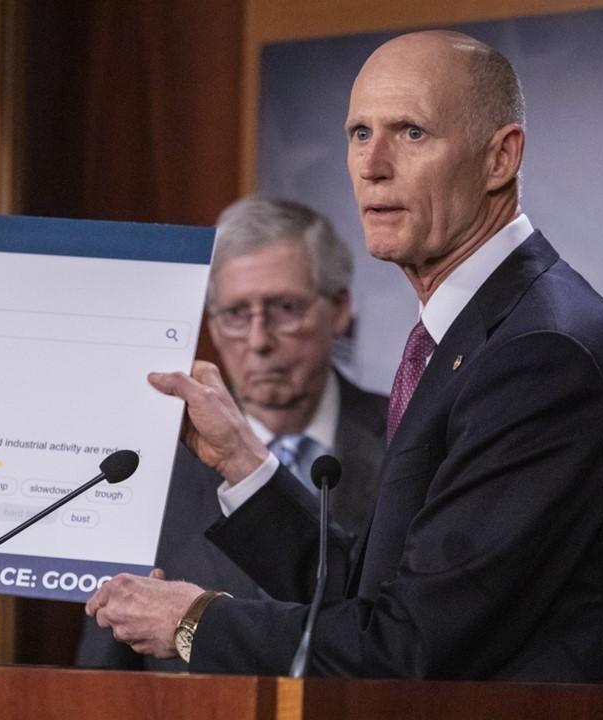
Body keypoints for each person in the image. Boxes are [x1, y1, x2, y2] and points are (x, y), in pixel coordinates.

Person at [86, 30, 603, 682]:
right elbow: (366, 597)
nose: (372, 165)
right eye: (359, 133)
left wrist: (196, 620)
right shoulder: (471, 334)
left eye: (412, 133)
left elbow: (407, 648)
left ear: (501, 158)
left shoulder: (542, 358)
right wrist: (244, 463)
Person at [76, 196, 387, 671]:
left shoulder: (407, 442)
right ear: (213, 327)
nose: (260, 341)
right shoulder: (145, 470)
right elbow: (104, 673)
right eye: (237, 314)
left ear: (339, 308)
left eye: (285, 309)